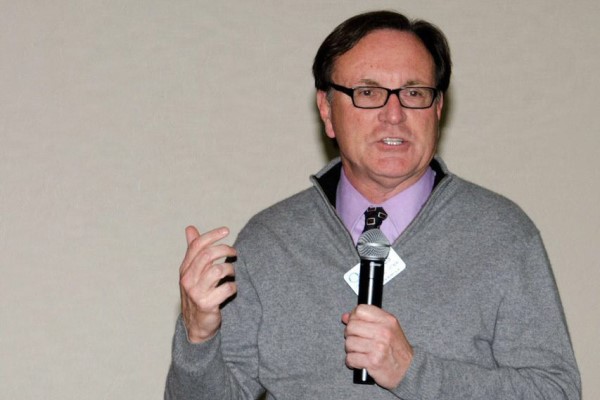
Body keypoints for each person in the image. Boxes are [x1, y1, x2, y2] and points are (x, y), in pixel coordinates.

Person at [165, 10, 581, 399]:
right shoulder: (271, 242)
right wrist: (198, 339)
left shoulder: (502, 235)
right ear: (327, 110)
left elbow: (556, 391)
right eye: (368, 93)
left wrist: (414, 371)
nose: (394, 114)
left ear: (438, 108)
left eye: (414, 93)